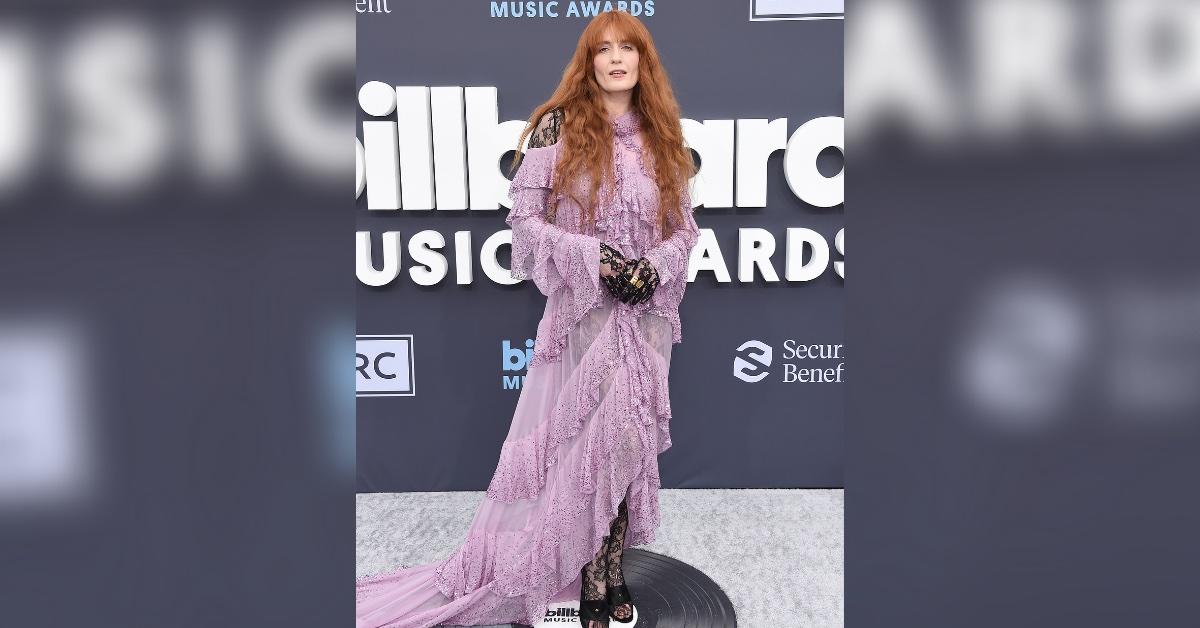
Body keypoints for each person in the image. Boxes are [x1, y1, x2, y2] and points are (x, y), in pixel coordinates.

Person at [355, 9, 700, 628]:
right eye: (604, 49)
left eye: (629, 49)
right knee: (592, 447)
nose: (616, 59)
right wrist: (594, 257)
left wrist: (656, 265)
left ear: (644, 63)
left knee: (624, 447)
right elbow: (525, 227)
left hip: (644, 323)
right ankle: (592, 578)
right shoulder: (556, 130)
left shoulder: (661, 135)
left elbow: (684, 229)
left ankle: (608, 569)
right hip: (584, 324)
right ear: (587, 61)